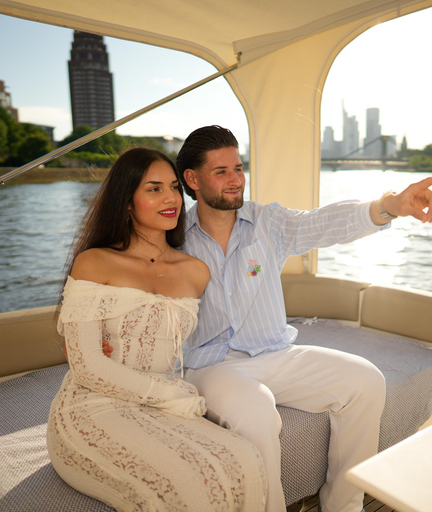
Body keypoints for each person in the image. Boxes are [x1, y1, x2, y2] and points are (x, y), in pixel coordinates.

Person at [173, 126, 432, 512]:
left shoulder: (268, 222)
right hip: (212, 365)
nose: (236, 180)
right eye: (221, 172)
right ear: (192, 179)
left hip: (276, 353)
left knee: (365, 380)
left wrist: (389, 205)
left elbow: (323, 223)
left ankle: (342, 506)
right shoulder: (172, 239)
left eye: (239, 167)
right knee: (256, 414)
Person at [47, 147, 267, 512]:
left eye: (173, 188)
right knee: (187, 485)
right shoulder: (95, 262)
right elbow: (87, 365)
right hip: (93, 406)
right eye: (153, 189)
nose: (170, 199)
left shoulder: (195, 270)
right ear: (127, 201)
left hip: (163, 404)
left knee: (245, 458)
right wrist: (175, 396)